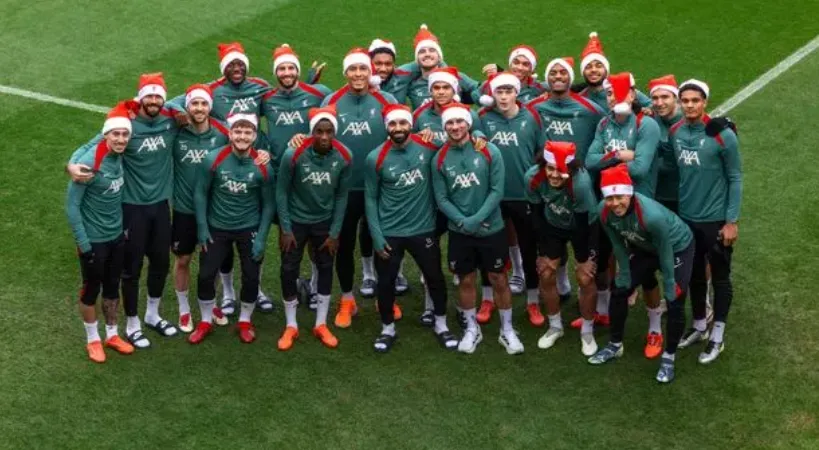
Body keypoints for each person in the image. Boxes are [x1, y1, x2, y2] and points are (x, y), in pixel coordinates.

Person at [67, 73, 180, 349]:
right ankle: (132, 324)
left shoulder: (171, 118)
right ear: (140, 98)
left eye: (158, 96)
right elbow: (91, 145)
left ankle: (153, 314)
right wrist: (70, 164)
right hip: (131, 208)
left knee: (161, 263)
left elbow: (199, 100)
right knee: (131, 269)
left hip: (161, 205)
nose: (153, 101)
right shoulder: (125, 125)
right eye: (148, 96)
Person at [311, 48, 398, 327]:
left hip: (380, 187)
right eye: (353, 70)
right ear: (346, 72)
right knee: (344, 245)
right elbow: (321, 141)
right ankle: (347, 298)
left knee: (382, 243)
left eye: (363, 69)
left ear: (370, 72)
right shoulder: (332, 101)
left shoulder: (386, 100)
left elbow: (399, 135)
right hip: (344, 189)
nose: (358, 74)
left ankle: (386, 297)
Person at [365, 104, 459, 352]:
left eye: (402, 123)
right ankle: (387, 328)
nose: (398, 128)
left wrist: (480, 138)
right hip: (389, 232)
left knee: (435, 278)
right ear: (387, 127)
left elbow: (457, 145)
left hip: (423, 229)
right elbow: (371, 199)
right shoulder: (376, 157)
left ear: (410, 125)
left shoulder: (429, 148)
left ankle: (441, 323)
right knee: (385, 282)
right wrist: (376, 235)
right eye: (393, 124)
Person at [588, 165, 694, 384]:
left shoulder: (651, 216)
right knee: (619, 290)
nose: (615, 203)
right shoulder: (603, 211)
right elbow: (617, 242)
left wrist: (670, 283)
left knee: (676, 299)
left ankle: (668, 357)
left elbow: (665, 251)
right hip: (646, 246)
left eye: (620, 197)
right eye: (610, 198)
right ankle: (615, 345)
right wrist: (625, 273)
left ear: (630, 193)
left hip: (676, 246)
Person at [431, 103, 523, 355]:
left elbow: (497, 191)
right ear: (444, 127)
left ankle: (507, 329)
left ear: (469, 124)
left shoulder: (490, 151)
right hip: (460, 231)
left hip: (491, 228)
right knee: (466, 279)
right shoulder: (439, 157)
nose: (455, 127)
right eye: (450, 123)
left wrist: (477, 218)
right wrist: (462, 221)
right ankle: (472, 329)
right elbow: (442, 198)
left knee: (498, 278)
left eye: (460, 122)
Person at [586, 72, 664, 358]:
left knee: (646, 275)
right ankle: (606, 313)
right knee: (608, 258)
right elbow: (591, 161)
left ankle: (655, 328)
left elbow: (642, 168)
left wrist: (611, 156)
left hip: (640, 206)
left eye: (620, 93)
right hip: (610, 204)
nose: (614, 98)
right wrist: (623, 155)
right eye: (609, 94)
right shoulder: (604, 123)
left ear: (632, 95)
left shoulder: (647, 124)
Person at [670, 79, 742, 364]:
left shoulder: (724, 136)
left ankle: (718, 336)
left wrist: (731, 221)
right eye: (684, 100)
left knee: (721, 278)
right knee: (695, 275)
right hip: (687, 219)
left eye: (695, 100)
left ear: (705, 102)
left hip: (715, 221)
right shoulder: (675, 131)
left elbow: (735, 177)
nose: (689, 105)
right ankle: (700, 325)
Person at [189, 113, 275, 344]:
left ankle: (245, 320)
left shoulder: (263, 166)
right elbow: (200, 193)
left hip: (249, 227)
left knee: (251, 277)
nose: (242, 136)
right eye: (238, 131)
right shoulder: (213, 159)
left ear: (255, 136)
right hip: (217, 227)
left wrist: (262, 237)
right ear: (229, 133)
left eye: (248, 132)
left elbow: (269, 204)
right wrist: (202, 227)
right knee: (206, 275)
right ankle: (206, 320)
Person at [528, 57, 606, 303]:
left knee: (596, 249)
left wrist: (641, 108)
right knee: (553, 240)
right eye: (553, 72)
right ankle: (561, 288)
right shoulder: (534, 107)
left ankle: (606, 300)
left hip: (584, 187)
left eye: (563, 72)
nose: (558, 76)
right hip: (549, 184)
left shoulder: (591, 110)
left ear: (571, 77)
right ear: (546, 79)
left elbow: (611, 125)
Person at [276, 106, 352, 350]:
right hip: (296, 221)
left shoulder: (344, 156)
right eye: (319, 131)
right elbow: (281, 192)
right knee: (288, 269)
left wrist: (334, 233)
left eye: (329, 132)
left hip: (325, 221)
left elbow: (341, 196)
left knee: (326, 267)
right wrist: (286, 229)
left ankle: (321, 323)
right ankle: (291, 325)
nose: (324, 137)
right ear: (311, 133)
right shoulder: (294, 154)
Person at [66, 102, 136, 362]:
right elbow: (72, 206)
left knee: (112, 287)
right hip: (93, 241)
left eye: (124, 134)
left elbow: (112, 128)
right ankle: (92, 339)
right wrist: (84, 244)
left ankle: (112, 334)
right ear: (106, 135)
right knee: (90, 290)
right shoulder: (89, 163)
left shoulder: (119, 156)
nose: (120, 138)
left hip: (116, 237)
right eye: (115, 134)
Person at [476, 72, 545, 326]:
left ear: (517, 92)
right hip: (492, 196)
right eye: (499, 92)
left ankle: (533, 301)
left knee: (529, 248)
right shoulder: (482, 118)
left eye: (508, 91)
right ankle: (487, 299)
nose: (503, 97)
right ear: (492, 95)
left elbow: (541, 151)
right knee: (489, 247)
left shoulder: (532, 117)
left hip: (524, 195)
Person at [525, 141, 599, 356]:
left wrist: (583, 260)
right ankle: (555, 326)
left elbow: (582, 226)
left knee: (586, 277)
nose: (555, 175)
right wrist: (543, 253)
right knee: (546, 272)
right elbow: (536, 215)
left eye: (561, 170)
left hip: (583, 225)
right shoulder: (532, 177)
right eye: (550, 169)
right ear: (542, 166)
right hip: (553, 223)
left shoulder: (580, 183)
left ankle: (587, 330)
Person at [171, 84, 234, 332]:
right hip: (185, 209)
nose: (199, 108)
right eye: (194, 104)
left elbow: (246, 139)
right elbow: (161, 106)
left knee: (214, 259)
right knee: (184, 259)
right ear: (187, 106)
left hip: (214, 209)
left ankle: (212, 303)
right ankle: (184, 309)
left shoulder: (222, 133)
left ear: (210, 106)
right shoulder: (177, 131)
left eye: (203, 103)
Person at [390, 24, 482, 109]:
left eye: (432, 50)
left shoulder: (456, 76)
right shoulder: (412, 83)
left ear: (439, 57)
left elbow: (482, 88)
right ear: (416, 59)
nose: (427, 54)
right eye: (422, 52)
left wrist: (467, 99)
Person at [575, 32, 652, 112]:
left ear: (606, 70)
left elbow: (651, 105)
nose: (594, 70)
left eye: (599, 66)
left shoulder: (623, 89)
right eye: (588, 67)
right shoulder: (579, 98)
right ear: (583, 72)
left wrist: (644, 112)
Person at [479, 45, 548, 104]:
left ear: (531, 69)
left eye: (525, 64)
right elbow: (475, 93)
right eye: (516, 62)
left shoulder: (539, 88)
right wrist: (489, 103)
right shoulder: (493, 84)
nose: (520, 68)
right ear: (510, 64)